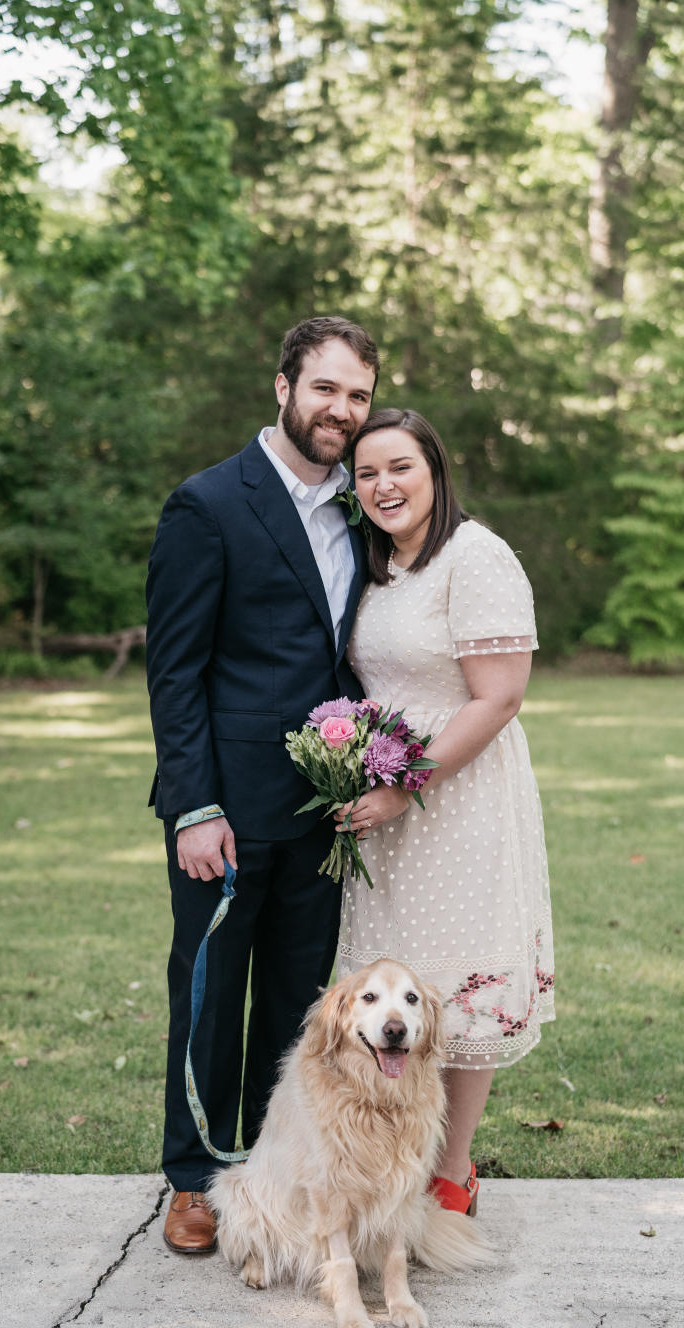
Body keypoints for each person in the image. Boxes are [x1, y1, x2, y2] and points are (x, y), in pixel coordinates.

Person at [146, 316, 379, 1255]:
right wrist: (194, 807)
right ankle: (197, 1179)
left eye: (358, 395)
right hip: (227, 814)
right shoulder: (208, 504)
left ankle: (276, 1173)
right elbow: (176, 671)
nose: (342, 410)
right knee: (209, 999)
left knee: (297, 1005)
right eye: (325, 388)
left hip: (325, 817)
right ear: (281, 386)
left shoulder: (365, 508)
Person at [335, 408, 554, 1216]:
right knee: (394, 983)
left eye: (401, 468)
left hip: (456, 799)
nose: (384, 486)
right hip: (388, 810)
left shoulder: (477, 558)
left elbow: (499, 698)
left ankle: (451, 1173)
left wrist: (404, 786)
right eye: (366, 474)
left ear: (436, 470)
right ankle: (394, 1160)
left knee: (458, 982)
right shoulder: (378, 565)